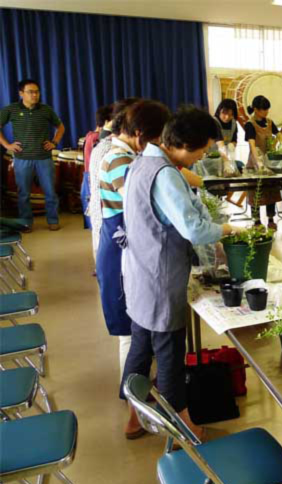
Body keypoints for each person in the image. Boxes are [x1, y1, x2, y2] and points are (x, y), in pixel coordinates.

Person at [120, 106, 241, 441]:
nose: (202, 156)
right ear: (188, 144)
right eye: (203, 150)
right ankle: (184, 425)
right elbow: (194, 229)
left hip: (139, 272)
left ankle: (134, 415)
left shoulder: (141, 162)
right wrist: (227, 229)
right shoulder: (165, 174)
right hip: (160, 278)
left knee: (141, 348)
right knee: (170, 353)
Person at [96, 100, 170, 380]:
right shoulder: (118, 159)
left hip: (124, 246)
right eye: (155, 139)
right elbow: (140, 202)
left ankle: (140, 390)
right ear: (140, 134)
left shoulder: (128, 155)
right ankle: (134, 396)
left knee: (137, 328)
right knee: (129, 330)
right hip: (119, 252)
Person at [0, 79, 66, 232]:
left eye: (37, 92)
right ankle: (26, 222)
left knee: (50, 192)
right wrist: (7, 145)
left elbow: (60, 126)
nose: (35, 95)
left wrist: (54, 142)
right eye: (30, 92)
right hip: (22, 159)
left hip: (44, 158)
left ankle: (53, 220)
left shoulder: (45, 110)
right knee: (23, 193)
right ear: (21, 93)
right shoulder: (12, 110)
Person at [90, 98, 140, 260]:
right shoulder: (113, 152)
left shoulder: (113, 147)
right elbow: (135, 202)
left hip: (111, 226)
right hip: (113, 229)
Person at [243, 95, 282, 229]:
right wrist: (258, 162)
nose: (266, 112)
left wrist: (277, 146)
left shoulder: (270, 122)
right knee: (256, 191)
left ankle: (271, 219)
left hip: (269, 162)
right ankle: (256, 221)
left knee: (271, 189)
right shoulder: (250, 124)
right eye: (263, 109)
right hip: (255, 162)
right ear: (255, 109)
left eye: (267, 109)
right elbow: (252, 145)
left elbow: (279, 136)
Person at [82, 104, 113, 229]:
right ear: (107, 122)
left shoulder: (90, 135)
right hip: (92, 177)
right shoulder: (98, 138)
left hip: (88, 175)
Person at [212, 99, 240, 173]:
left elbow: (234, 141)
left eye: (231, 115)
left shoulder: (234, 124)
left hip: (226, 157)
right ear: (219, 111)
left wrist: (232, 145)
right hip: (212, 159)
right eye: (224, 113)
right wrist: (226, 163)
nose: (227, 117)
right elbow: (220, 144)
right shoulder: (214, 122)